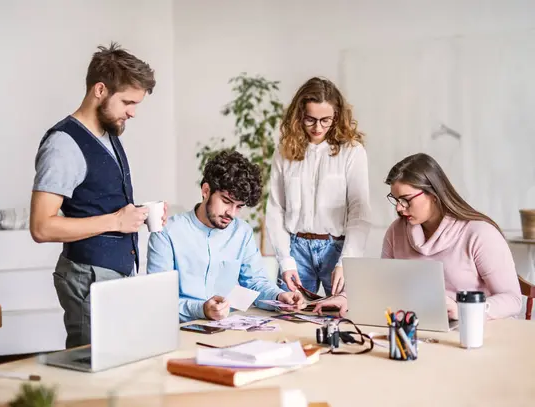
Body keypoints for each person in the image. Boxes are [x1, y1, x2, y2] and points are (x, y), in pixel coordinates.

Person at [29, 42, 166, 348]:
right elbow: (41, 227)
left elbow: (98, 201)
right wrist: (117, 222)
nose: (133, 112)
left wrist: (139, 214)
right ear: (100, 90)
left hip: (114, 276)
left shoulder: (108, 132)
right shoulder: (63, 145)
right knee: (92, 377)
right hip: (87, 277)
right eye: (128, 102)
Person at [315, 153, 522, 319]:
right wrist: (346, 298)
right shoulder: (396, 231)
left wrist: (464, 310)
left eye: (406, 199)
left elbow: (513, 300)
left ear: (433, 194)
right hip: (417, 329)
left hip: (471, 331)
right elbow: (381, 282)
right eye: (395, 199)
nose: (399, 207)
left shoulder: (479, 234)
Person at [147, 150, 305, 322]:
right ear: (206, 191)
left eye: (239, 206)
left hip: (226, 328)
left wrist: (279, 297)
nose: (231, 213)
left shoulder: (242, 232)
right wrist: (201, 310)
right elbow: (159, 300)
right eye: (226, 201)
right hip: (178, 330)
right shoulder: (167, 234)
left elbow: (256, 283)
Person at [265, 77, 371, 301]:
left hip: (336, 248)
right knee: (290, 315)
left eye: (326, 120)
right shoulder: (284, 151)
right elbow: (275, 209)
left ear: (337, 116)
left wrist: (346, 262)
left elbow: (359, 213)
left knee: (344, 315)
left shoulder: (352, 151)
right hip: (295, 249)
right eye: (310, 120)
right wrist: (285, 260)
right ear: (298, 116)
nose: (318, 127)